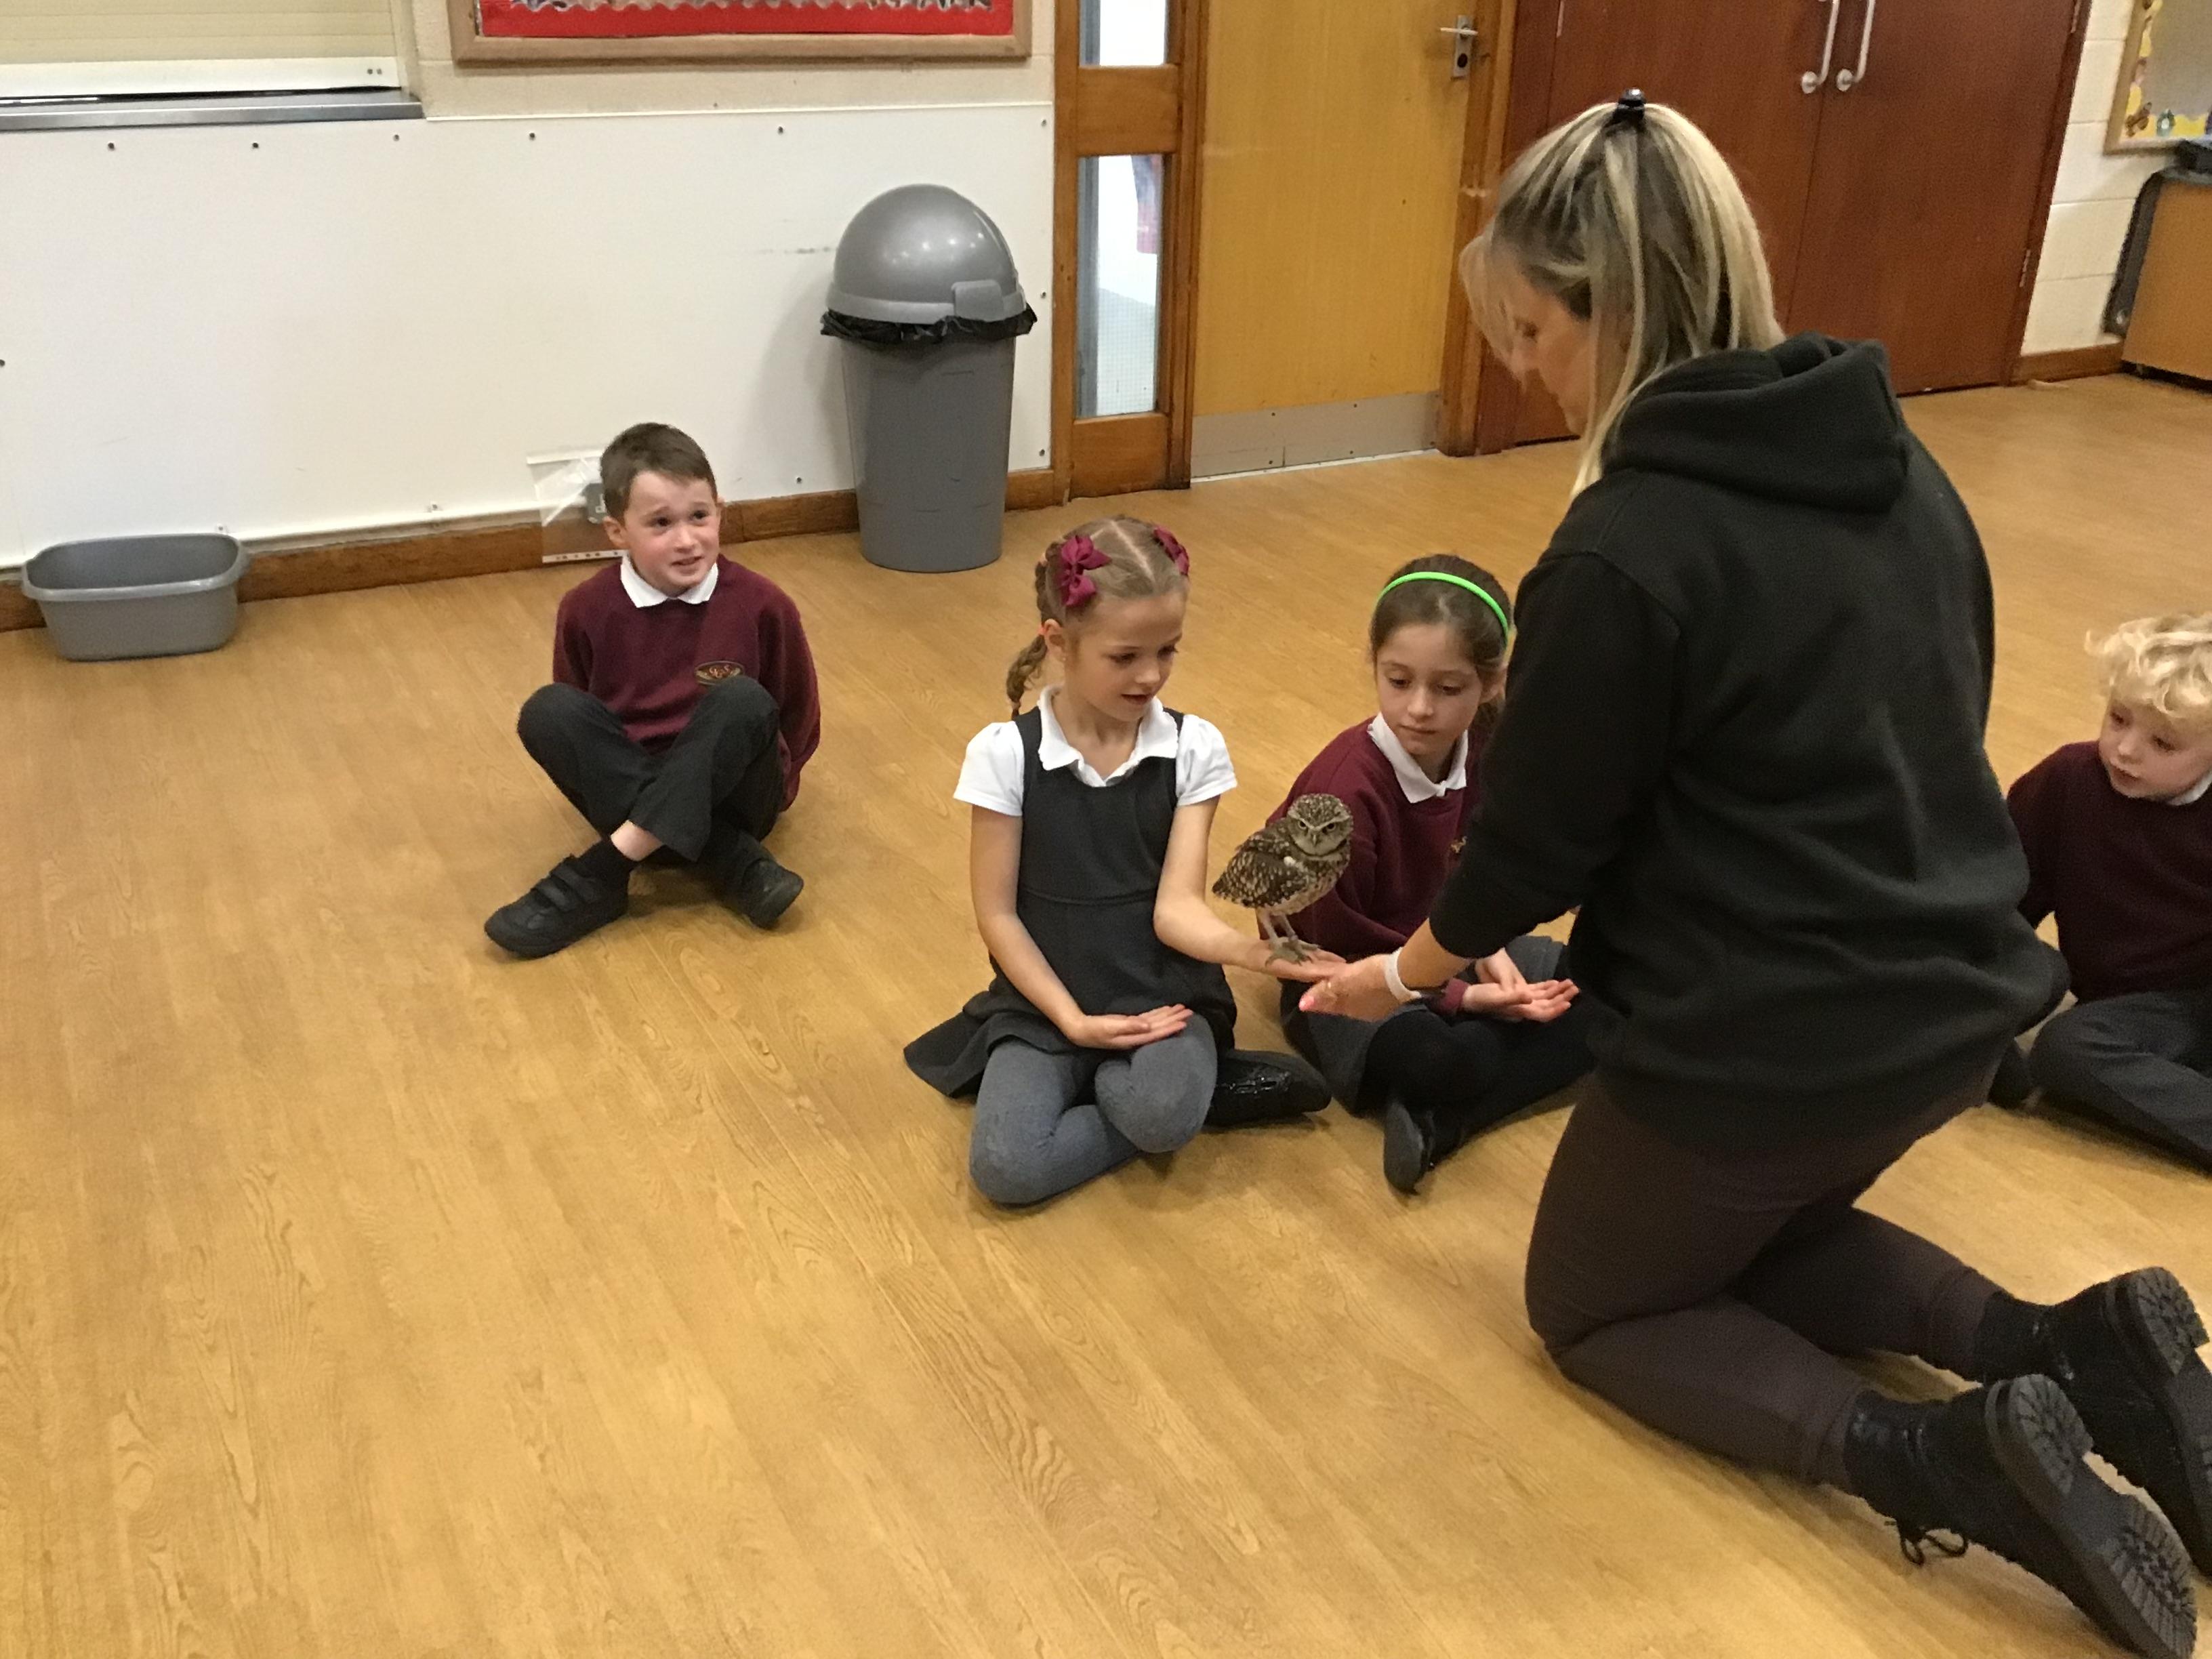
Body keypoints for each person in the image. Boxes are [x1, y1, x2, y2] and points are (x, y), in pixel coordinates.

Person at [1302, 94, 2207, 1656]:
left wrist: (1395, 975)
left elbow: (1530, 847)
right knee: (1738, 1234)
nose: (1525, 369)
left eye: (1531, 332)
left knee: (1598, 1301)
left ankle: (1931, 1454)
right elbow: (1942, 708)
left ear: (1604, 308)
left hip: (1779, 1037)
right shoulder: (1905, 467)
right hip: (1960, 1002)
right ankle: (2077, 1347)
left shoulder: (1621, 551)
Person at [905, 517, 1334, 1207]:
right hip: (1046, 1005)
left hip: (1163, 998)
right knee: (1007, 1170)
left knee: (1159, 1115)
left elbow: (1177, 909)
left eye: (1168, 651)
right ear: (1058, 642)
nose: (1152, 675)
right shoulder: (1004, 754)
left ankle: (1174, 1090)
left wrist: (1258, 956)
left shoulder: (1194, 748)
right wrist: (1073, 1023)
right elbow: (998, 915)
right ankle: (1208, 1090)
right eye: (1126, 656)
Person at [1274, 554, 1593, 1193]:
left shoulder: (1489, 748)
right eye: (1398, 681)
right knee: (1433, 1060)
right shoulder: (1341, 796)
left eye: (1448, 689)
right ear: (1374, 665)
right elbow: (1333, 950)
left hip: (1445, 946)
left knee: (1612, 988)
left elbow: (1480, 867)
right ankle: (1456, 1083)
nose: (1419, 708)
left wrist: (1485, 947)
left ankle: (1448, 1122)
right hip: (1343, 979)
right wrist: (1463, 997)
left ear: (1491, 683)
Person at [487, 422, 817, 958]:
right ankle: (732, 859)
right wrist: (663, 798)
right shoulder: (585, 609)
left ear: (720, 512)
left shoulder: (763, 604)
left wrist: (773, 786)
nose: (686, 540)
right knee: (549, 711)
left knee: (742, 699)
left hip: (736, 794)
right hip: (630, 786)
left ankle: (604, 871)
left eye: (699, 517)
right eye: (661, 523)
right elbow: (581, 708)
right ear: (618, 532)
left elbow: (795, 716)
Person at [2004, 615, 2212, 1170]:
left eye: (2163, 743)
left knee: (2068, 1048)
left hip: (2192, 1005)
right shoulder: (2067, 779)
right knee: (2034, 978)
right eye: (2118, 719)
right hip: (2116, 1006)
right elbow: (2004, 901)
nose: (2125, 750)